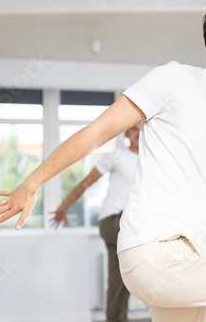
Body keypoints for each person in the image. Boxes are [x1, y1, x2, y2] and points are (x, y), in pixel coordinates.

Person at [0, 0, 206, 321]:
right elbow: (96, 133)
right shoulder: (176, 79)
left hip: (187, 256)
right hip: (158, 249)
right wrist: (32, 182)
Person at [51, 122, 140, 322]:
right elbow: (86, 182)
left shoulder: (151, 161)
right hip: (113, 222)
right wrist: (63, 207)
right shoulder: (117, 157)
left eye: (143, 127)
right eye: (134, 128)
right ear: (126, 133)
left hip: (131, 223)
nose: (139, 132)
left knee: (120, 281)